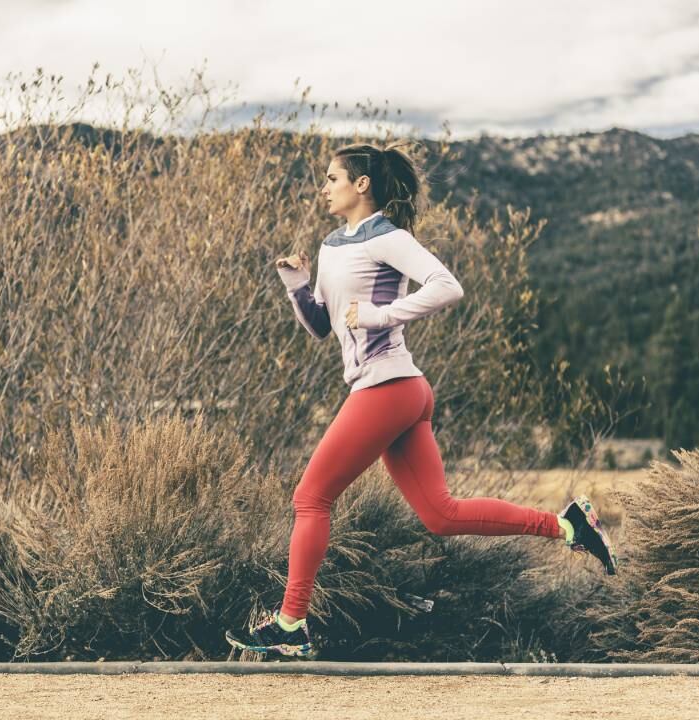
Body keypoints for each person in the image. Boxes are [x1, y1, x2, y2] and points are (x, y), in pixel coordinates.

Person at [225, 142, 618, 661]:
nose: (323, 187)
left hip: (387, 388)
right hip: (395, 390)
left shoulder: (386, 237)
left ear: (361, 184)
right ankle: (570, 525)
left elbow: (447, 286)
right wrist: (296, 282)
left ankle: (291, 623)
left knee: (310, 498)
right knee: (441, 514)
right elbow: (322, 325)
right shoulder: (330, 245)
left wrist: (383, 315)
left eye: (332, 178)